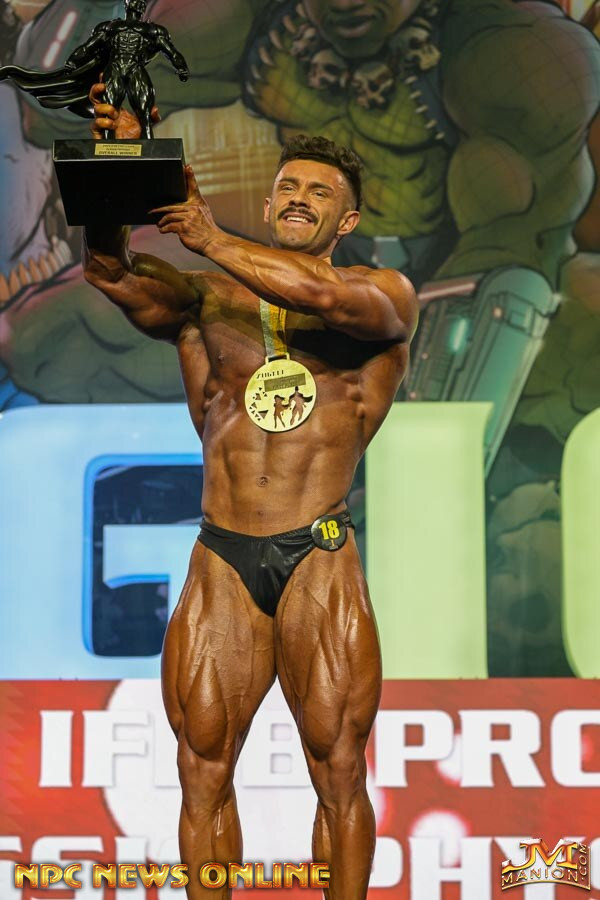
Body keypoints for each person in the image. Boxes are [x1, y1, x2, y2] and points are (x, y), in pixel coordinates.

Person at [83, 108, 418, 896]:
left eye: (319, 192)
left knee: (337, 765)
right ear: (268, 205)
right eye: (288, 187)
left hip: (317, 555)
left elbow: (325, 297)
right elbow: (109, 270)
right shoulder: (206, 301)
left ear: (348, 220)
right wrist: (117, 165)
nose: (300, 197)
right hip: (222, 557)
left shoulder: (382, 295)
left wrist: (210, 237)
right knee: (201, 765)